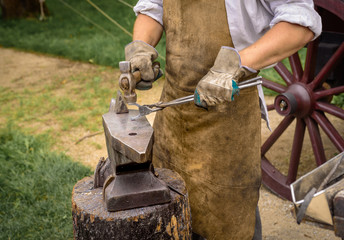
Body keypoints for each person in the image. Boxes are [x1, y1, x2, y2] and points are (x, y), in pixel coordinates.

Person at [124, 1, 322, 239]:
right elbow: (153, 8)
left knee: (228, 220)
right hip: (173, 119)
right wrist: (141, 48)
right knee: (169, 212)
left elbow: (300, 23)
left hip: (227, 124)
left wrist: (237, 63)